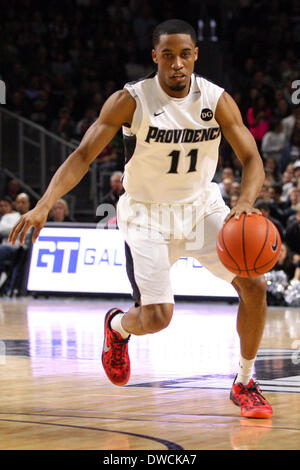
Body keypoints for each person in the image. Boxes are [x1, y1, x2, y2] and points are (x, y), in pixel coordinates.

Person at [9, 19, 272, 419]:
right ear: (156, 57)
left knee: (254, 284)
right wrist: (45, 202)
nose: (177, 63)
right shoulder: (130, 100)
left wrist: (245, 201)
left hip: (202, 210)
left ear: (196, 55)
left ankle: (246, 381)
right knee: (157, 318)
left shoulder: (216, 100)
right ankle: (117, 328)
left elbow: (252, 159)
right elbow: (82, 155)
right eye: (168, 55)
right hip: (147, 216)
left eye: (185, 54)